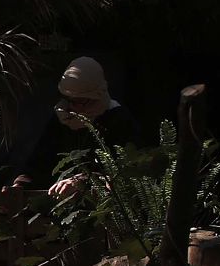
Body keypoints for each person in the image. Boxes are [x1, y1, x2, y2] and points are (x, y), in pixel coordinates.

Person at [16, 56, 142, 195]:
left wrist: (83, 181)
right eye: (70, 100)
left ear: (96, 96)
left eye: (81, 101)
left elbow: (123, 171)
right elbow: (40, 161)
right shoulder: (63, 117)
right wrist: (21, 184)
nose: (74, 107)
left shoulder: (118, 120)